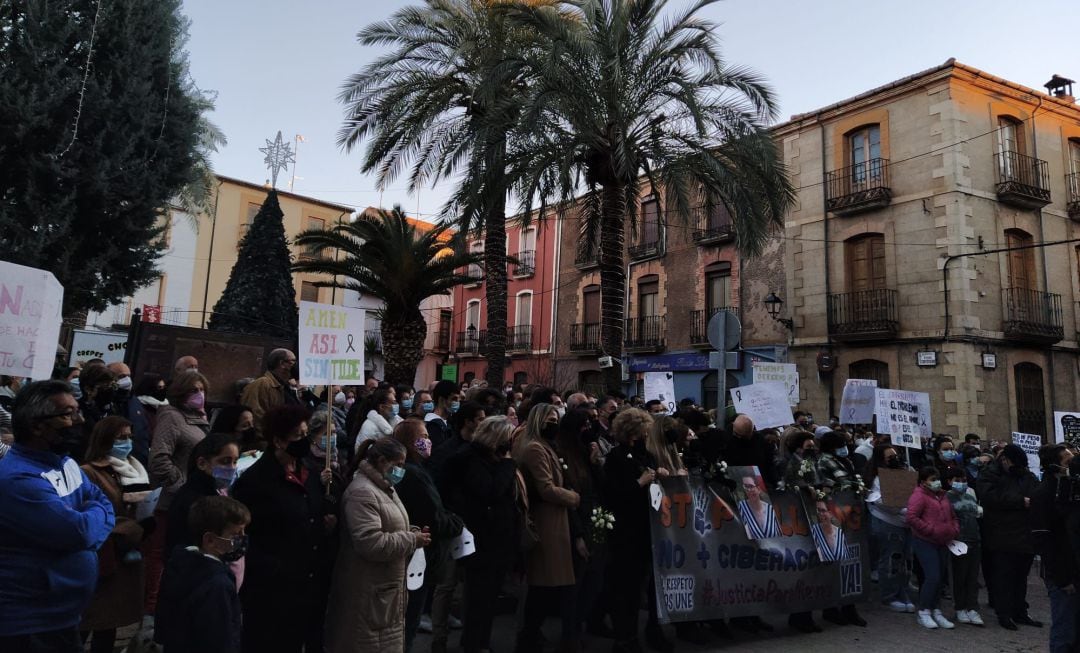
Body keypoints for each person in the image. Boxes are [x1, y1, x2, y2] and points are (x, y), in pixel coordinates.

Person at [0, 380, 115, 652]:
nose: (80, 419)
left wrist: (89, 527)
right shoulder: (18, 479)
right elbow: (77, 532)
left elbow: (103, 502)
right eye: (67, 414)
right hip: (28, 623)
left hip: (61, 616)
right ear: (36, 425)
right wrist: (90, 528)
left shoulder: (66, 462)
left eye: (77, 411)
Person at [231, 404, 337, 653]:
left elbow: (310, 513)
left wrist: (325, 523)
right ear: (278, 441)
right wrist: (275, 568)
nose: (305, 441)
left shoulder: (308, 471)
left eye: (306, 434)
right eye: (298, 436)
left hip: (308, 583)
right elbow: (246, 536)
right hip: (273, 591)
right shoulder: (256, 481)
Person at [325, 437, 432, 653]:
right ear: (383, 461)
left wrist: (410, 532)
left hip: (384, 591)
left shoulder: (384, 487)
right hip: (369, 592)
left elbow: (389, 525)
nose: (402, 471)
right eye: (399, 465)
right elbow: (370, 542)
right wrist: (412, 540)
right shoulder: (363, 492)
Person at [442, 417, 521, 653]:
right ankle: (475, 643)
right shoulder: (471, 460)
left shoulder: (488, 458)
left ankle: (480, 640)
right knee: (480, 596)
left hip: (496, 538)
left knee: (488, 596)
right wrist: (508, 465)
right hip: (482, 538)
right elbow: (491, 491)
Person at [79, 416, 151, 653]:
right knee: (92, 618)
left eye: (130, 436)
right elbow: (92, 512)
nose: (127, 442)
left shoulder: (135, 468)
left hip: (127, 551)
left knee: (109, 621)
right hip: (104, 553)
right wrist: (129, 527)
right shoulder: (89, 472)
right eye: (121, 438)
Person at [603, 408, 673, 653]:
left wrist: (660, 476)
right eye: (643, 429)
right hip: (627, 532)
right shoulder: (616, 458)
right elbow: (613, 494)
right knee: (627, 588)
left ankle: (653, 630)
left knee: (648, 585)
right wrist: (638, 483)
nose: (646, 434)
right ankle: (625, 637)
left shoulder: (647, 455)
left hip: (648, 528)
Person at [514, 403, 582, 653]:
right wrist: (574, 497)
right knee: (543, 584)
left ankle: (532, 634)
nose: (555, 423)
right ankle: (529, 636)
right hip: (547, 521)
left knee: (548, 584)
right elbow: (546, 488)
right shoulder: (534, 448)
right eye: (550, 419)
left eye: (557, 418)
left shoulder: (545, 446)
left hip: (555, 520)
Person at [392, 419, 463, 652]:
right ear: (410, 443)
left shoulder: (406, 470)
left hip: (411, 554)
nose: (428, 441)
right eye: (422, 436)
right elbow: (434, 517)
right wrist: (455, 522)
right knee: (407, 623)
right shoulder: (414, 474)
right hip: (418, 555)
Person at [145, 371, 211, 616]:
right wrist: (181, 485)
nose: (199, 395)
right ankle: (152, 611)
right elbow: (159, 460)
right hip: (172, 501)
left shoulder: (196, 417)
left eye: (202, 389)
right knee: (161, 554)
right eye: (193, 390)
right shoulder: (171, 417)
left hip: (191, 500)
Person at [155, 495, 248, 653]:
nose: (241, 540)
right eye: (235, 535)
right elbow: (220, 638)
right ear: (210, 540)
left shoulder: (178, 564)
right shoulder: (217, 584)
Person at [556, 408, 609, 640]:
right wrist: (577, 534)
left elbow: (602, 489)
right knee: (575, 585)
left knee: (595, 581)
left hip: (595, 520)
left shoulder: (586, 452)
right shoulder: (563, 455)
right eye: (584, 426)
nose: (588, 430)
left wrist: (596, 463)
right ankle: (570, 633)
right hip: (576, 524)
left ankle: (581, 624)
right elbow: (568, 495)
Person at [978, 443, 1041, 630]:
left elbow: (1036, 492)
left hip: (1025, 535)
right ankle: (1004, 613)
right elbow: (990, 497)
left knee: (1021, 578)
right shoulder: (990, 474)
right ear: (1004, 460)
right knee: (1003, 577)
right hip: (1001, 535)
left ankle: (1020, 611)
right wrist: (1020, 501)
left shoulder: (1026, 475)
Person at [165, 433, 241, 561]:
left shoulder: (214, 492)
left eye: (235, 461)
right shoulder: (195, 501)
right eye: (225, 461)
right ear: (202, 463)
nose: (232, 468)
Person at [1032, 443, 1078, 651]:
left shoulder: (1070, 491)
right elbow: (1046, 541)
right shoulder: (1044, 494)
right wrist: (1062, 578)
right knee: (1064, 630)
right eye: (1067, 462)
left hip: (1075, 567)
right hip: (1062, 574)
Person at [907, 466, 959, 629]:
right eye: (932, 479)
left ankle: (936, 610)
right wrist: (930, 530)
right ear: (923, 482)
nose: (936, 482)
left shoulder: (943, 496)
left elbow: (952, 516)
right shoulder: (919, 496)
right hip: (925, 541)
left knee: (939, 579)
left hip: (943, 541)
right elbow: (912, 517)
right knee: (933, 576)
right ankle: (924, 611)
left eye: (937, 478)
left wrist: (954, 529)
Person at [865, 443, 915, 613]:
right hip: (888, 522)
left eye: (895, 456)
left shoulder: (903, 473)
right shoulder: (878, 478)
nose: (894, 460)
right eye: (890, 457)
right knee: (891, 560)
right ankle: (890, 596)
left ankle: (903, 591)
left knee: (906, 560)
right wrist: (901, 508)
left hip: (905, 522)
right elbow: (879, 500)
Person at [944, 467, 985, 626]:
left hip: (974, 538)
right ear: (949, 481)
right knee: (959, 576)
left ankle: (972, 608)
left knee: (972, 576)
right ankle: (960, 607)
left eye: (963, 481)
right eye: (957, 480)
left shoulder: (970, 494)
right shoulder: (947, 497)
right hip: (958, 541)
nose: (961, 483)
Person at [239, 348, 300, 436]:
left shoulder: (284, 386)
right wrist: (269, 439)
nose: (295, 365)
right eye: (293, 361)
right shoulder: (262, 384)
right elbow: (254, 416)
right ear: (282, 363)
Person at [107, 362, 153, 466]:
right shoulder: (107, 401)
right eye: (122, 376)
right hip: (114, 462)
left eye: (128, 376)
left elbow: (143, 432)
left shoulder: (135, 402)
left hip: (137, 462)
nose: (127, 380)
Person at [721, 414, 779, 488]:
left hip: (760, 482)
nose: (739, 437)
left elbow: (769, 462)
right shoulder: (726, 440)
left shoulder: (760, 440)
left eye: (744, 435)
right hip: (737, 482)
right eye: (737, 434)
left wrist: (775, 481)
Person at [76, 364, 118, 461]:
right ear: (88, 389)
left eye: (112, 385)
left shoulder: (112, 409)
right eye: (105, 386)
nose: (110, 390)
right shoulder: (77, 411)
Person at [737, 472, 781, 539]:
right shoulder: (741, 507)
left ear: (759, 489)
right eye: (745, 486)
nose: (748, 490)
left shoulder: (771, 510)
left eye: (751, 486)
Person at [424, 380, 460, 447]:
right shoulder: (432, 425)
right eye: (454, 399)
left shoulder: (449, 422)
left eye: (458, 400)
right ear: (441, 400)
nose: (457, 403)